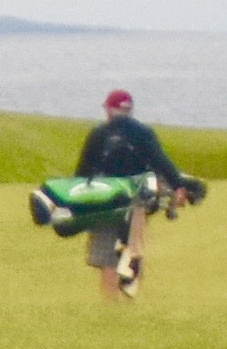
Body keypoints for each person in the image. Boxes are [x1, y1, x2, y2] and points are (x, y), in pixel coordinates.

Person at [74, 87, 179, 301]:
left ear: (110, 109)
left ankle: (110, 306)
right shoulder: (144, 133)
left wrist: (78, 203)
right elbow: (161, 162)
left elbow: (83, 172)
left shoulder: (99, 134)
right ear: (129, 110)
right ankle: (128, 297)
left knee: (107, 257)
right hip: (136, 200)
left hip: (104, 201)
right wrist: (178, 185)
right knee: (132, 251)